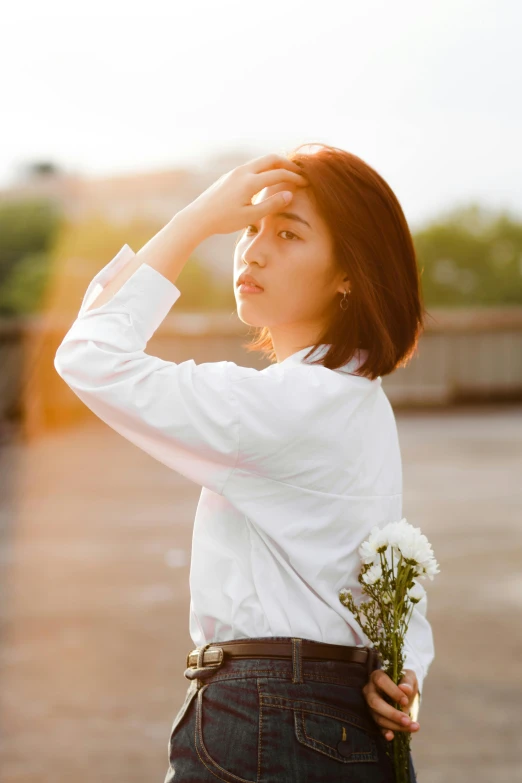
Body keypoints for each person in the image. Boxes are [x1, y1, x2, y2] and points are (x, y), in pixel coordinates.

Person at [54, 145, 434, 781]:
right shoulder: (354, 400)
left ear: (349, 273)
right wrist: (408, 668)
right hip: (338, 721)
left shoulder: (285, 405)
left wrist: (198, 217)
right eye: (247, 227)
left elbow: (90, 356)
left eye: (288, 234)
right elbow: (386, 567)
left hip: (264, 718)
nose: (251, 250)